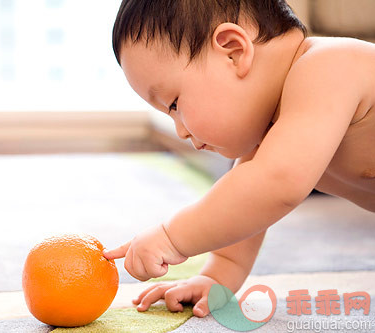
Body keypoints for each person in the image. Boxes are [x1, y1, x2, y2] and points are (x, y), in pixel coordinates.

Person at [102, 0, 375, 318]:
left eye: (174, 103)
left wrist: (172, 238)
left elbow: (276, 183)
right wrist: (217, 276)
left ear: (233, 51)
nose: (179, 131)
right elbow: (249, 200)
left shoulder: (329, 67)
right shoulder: (272, 134)